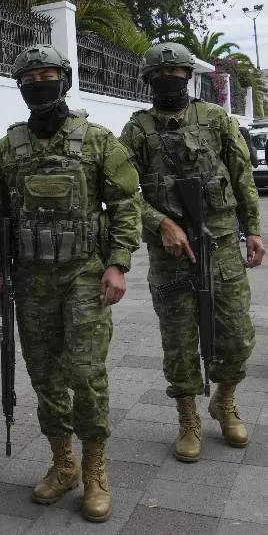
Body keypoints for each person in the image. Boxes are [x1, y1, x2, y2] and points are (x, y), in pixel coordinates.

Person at [0, 45, 141, 523]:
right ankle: (62, 462)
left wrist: (119, 264)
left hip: (84, 276)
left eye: (48, 75)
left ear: (64, 80)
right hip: (31, 281)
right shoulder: (9, 147)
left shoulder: (97, 140)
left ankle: (95, 468)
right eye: (30, 78)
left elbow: (127, 203)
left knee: (86, 373)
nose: (39, 84)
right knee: (45, 376)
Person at [119, 42, 264, 464]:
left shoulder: (216, 119)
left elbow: (241, 176)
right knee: (180, 342)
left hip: (220, 247)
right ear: (148, 80)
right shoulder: (137, 130)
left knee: (236, 337)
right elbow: (123, 191)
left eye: (177, 74)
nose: (170, 80)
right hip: (171, 255)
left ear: (188, 77)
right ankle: (188, 418)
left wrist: (252, 230)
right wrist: (160, 223)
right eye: (161, 74)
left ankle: (224, 400)